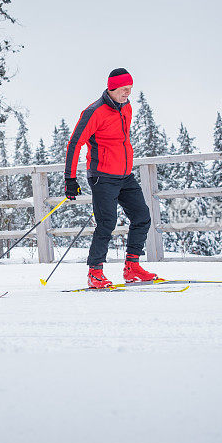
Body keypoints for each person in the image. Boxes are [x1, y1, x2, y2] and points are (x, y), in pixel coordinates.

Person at [64, 68, 160, 287]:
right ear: (112, 88)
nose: (128, 94)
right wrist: (70, 179)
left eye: (130, 89)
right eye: (124, 89)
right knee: (107, 223)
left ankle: (132, 267)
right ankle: (95, 272)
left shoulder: (126, 108)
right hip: (102, 176)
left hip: (125, 175)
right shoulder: (94, 112)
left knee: (142, 217)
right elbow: (74, 143)